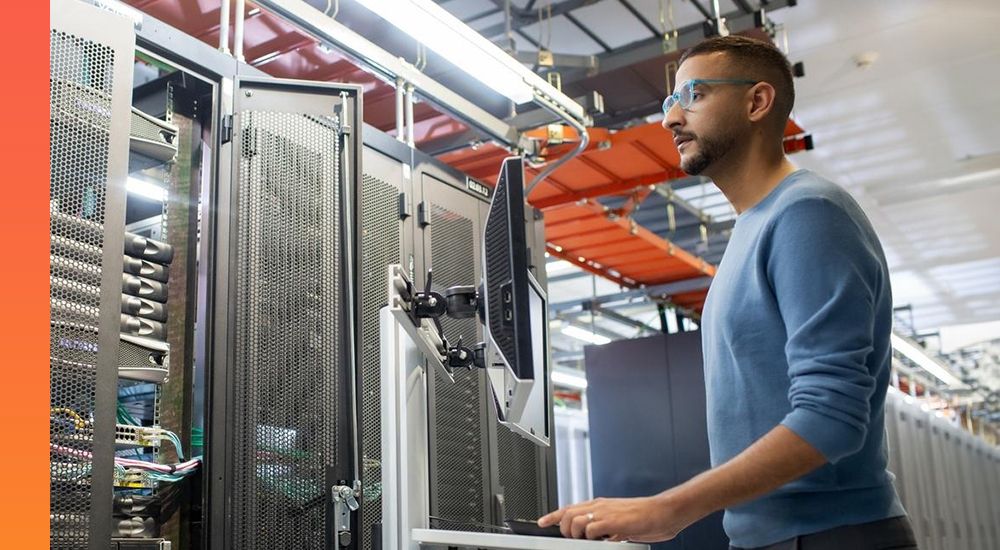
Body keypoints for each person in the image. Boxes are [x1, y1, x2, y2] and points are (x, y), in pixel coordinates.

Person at [537, 35, 918, 550]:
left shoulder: (807, 213)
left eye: (692, 95)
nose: (671, 119)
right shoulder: (751, 230)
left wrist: (667, 508)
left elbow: (831, 416)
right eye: (669, 102)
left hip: (829, 536)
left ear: (757, 102)